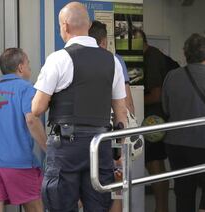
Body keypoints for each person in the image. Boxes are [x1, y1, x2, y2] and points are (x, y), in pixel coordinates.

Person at [31, 2, 127, 211]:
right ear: (89, 24)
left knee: (60, 205)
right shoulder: (113, 62)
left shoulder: (58, 59)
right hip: (100, 145)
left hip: (67, 146)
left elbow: (37, 108)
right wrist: (118, 150)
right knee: (99, 206)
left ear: (64, 26)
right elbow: (121, 111)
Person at [0, 48, 47, 212]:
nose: (30, 68)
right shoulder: (26, 89)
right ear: (20, 67)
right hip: (19, 163)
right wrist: (48, 148)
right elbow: (31, 119)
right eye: (28, 64)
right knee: (35, 207)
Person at [89, 20, 136, 212]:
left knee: (90, 185)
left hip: (88, 133)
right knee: (117, 186)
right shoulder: (114, 60)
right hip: (114, 133)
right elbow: (126, 103)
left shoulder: (74, 58)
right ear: (104, 40)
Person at [162, 33, 205, 212]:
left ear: (185, 53)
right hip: (202, 143)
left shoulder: (171, 76)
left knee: (183, 193)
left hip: (176, 144)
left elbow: (166, 110)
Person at [133, 29, 169, 212]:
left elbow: (156, 95)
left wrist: (135, 102)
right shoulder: (150, 56)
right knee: (152, 163)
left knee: (154, 163)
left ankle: (161, 209)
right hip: (151, 118)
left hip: (154, 120)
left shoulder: (152, 57)